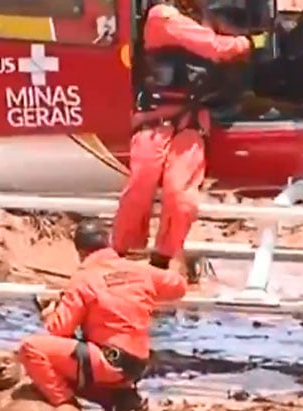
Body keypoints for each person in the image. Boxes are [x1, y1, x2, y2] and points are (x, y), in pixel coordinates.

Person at [113, 0, 268, 278]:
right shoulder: (162, 16)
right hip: (155, 118)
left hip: (192, 120)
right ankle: (122, 254)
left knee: (181, 196)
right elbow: (216, 47)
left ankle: (161, 261)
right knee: (141, 182)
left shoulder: (206, 18)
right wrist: (250, 42)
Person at [18, 219, 186, 411]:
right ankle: (117, 398)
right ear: (108, 243)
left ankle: (67, 405)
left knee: (31, 349)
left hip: (107, 362)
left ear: (80, 252)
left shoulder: (85, 279)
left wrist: (49, 314)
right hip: (138, 364)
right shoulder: (140, 271)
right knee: (77, 354)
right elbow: (179, 286)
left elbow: (59, 330)